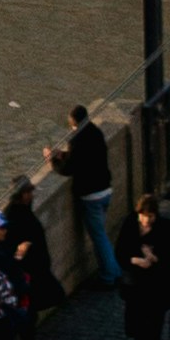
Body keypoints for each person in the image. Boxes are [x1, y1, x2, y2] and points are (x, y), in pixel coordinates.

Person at [59, 104, 120, 295]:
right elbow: (86, 157)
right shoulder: (95, 132)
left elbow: (68, 169)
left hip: (91, 195)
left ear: (74, 122)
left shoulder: (77, 139)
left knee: (99, 236)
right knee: (101, 233)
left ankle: (110, 276)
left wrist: (53, 160)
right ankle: (114, 269)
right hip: (105, 189)